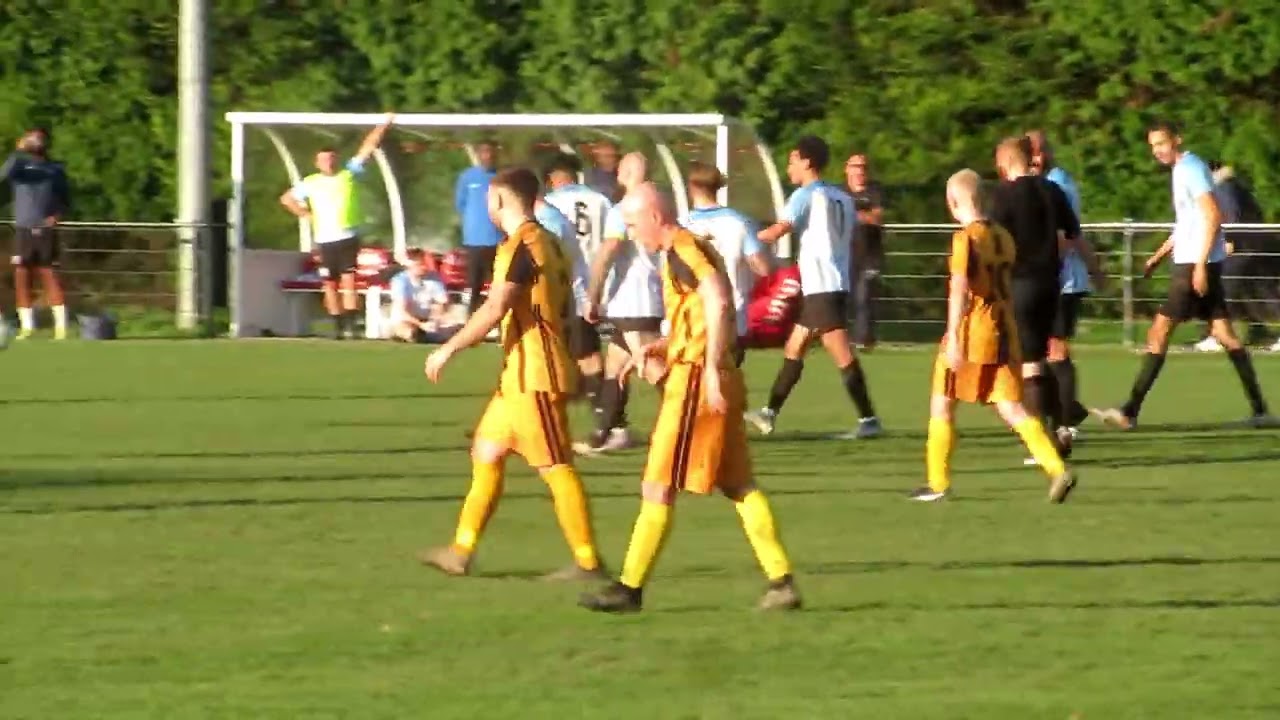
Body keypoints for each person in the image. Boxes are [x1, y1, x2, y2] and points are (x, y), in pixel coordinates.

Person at [578, 183, 800, 613]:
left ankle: (629, 588)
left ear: (655, 216)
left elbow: (717, 298)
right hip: (713, 375)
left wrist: (711, 366)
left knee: (656, 485)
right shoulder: (683, 249)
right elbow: (699, 312)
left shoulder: (681, 249)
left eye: (633, 222)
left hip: (698, 383)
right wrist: (658, 347)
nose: (631, 231)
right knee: (738, 484)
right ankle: (782, 581)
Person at [420, 167, 605, 580]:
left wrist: (448, 348)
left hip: (533, 376)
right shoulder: (551, 243)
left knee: (556, 467)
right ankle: (461, 550)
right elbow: (566, 311)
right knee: (486, 452)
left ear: (501, 200)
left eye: (489, 198)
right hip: (519, 377)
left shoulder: (523, 245)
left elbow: (494, 308)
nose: (486, 205)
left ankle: (589, 562)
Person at [1093, 121, 1273, 429]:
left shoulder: (1190, 168)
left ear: (1177, 139)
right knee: (1225, 334)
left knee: (1159, 332)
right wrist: (1157, 256)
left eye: (1162, 143)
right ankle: (1261, 411)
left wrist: (1201, 264)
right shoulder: (1182, 169)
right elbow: (1187, 223)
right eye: (1153, 146)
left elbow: (1214, 215)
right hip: (1196, 262)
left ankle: (1129, 412)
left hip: (1193, 266)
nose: (1157, 151)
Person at [910, 169, 1075, 503]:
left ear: (952, 202)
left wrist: (953, 336)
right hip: (1004, 330)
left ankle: (937, 483)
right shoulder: (1003, 236)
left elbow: (959, 289)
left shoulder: (965, 239)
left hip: (974, 330)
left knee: (942, 403)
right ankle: (1056, 468)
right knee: (1011, 407)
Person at [745, 135, 882, 439]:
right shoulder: (842, 197)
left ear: (807, 162)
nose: (789, 166)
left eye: (793, 159)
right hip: (832, 283)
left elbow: (781, 229)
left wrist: (745, 238)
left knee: (842, 354)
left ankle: (869, 420)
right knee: (795, 347)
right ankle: (769, 413)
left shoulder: (804, 195)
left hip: (822, 285)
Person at [989, 136, 1081, 447]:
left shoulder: (1004, 195)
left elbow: (991, 241)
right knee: (1049, 354)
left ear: (1005, 164)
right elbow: (1071, 232)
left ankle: (1040, 440)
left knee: (1030, 364)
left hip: (1020, 284)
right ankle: (1062, 429)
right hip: (1052, 284)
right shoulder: (1052, 190)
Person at [578, 152, 664, 455]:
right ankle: (607, 434)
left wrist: (593, 295)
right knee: (615, 368)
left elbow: (608, 251)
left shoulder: (622, 210)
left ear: (623, 174)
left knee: (654, 369)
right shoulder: (660, 205)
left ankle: (695, 423)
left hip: (633, 301)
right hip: (644, 297)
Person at [280, 114, 394, 339]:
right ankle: (338, 325)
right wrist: (307, 214)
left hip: (348, 237)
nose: (328, 162)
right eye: (324, 159)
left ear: (337, 159)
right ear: (317, 163)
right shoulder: (311, 182)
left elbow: (367, 148)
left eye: (331, 158)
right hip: (324, 239)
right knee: (329, 283)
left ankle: (351, 325)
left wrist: (384, 124)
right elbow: (286, 199)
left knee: (348, 279)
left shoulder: (348, 174)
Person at [1026, 130, 1105, 446]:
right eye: (1031, 153)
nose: (1036, 159)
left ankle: (1067, 425)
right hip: (1050, 279)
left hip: (1063, 280)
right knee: (1040, 355)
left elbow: (1065, 235)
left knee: (1056, 351)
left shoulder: (1058, 183)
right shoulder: (1041, 184)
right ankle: (1067, 413)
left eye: (1040, 151)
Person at [681, 161, 771, 367]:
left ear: (692, 187)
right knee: (727, 384)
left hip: (693, 319)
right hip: (732, 318)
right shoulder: (740, 222)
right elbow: (763, 268)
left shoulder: (683, 225)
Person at [543, 153, 613, 409]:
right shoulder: (600, 201)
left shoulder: (548, 204)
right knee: (577, 349)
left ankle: (608, 418)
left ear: (551, 179)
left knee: (585, 353)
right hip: (595, 282)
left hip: (569, 286)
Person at [2, 127, 71, 340]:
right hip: (23, 228)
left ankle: (61, 327)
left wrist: (56, 216)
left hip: (45, 229)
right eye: (31, 138)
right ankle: (27, 327)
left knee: (49, 273)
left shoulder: (55, 169)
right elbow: (3, 175)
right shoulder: (19, 165)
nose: (35, 141)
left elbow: (65, 197)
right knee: (22, 275)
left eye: (38, 138)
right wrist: (17, 152)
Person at [455, 140, 503, 317]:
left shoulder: (502, 177)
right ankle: (470, 322)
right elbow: (460, 204)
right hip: (474, 240)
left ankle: (500, 322)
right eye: (484, 152)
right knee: (474, 283)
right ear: (478, 155)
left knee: (499, 284)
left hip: (498, 240)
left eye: (491, 153)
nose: (488, 156)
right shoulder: (467, 177)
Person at [845, 153, 886, 350]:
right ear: (847, 169)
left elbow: (877, 218)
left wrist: (853, 214)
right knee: (845, 298)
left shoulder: (875, 191)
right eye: (856, 166)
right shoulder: (841, 192)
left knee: (864, 296)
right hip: (845, 255)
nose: (860, 171)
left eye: (863, 167)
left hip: (869, 256)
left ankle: (864, 339)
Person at [387, 248, 452, 343]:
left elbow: (441, 303)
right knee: (409, 332)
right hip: (407, 320)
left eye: (424, 264)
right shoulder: (400, 281)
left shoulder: (434, 278)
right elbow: (403, 311)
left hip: (427, 319)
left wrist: (435, 320)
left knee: (455, 330)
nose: (424, 267)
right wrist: (421, 325)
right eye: (420, 264)